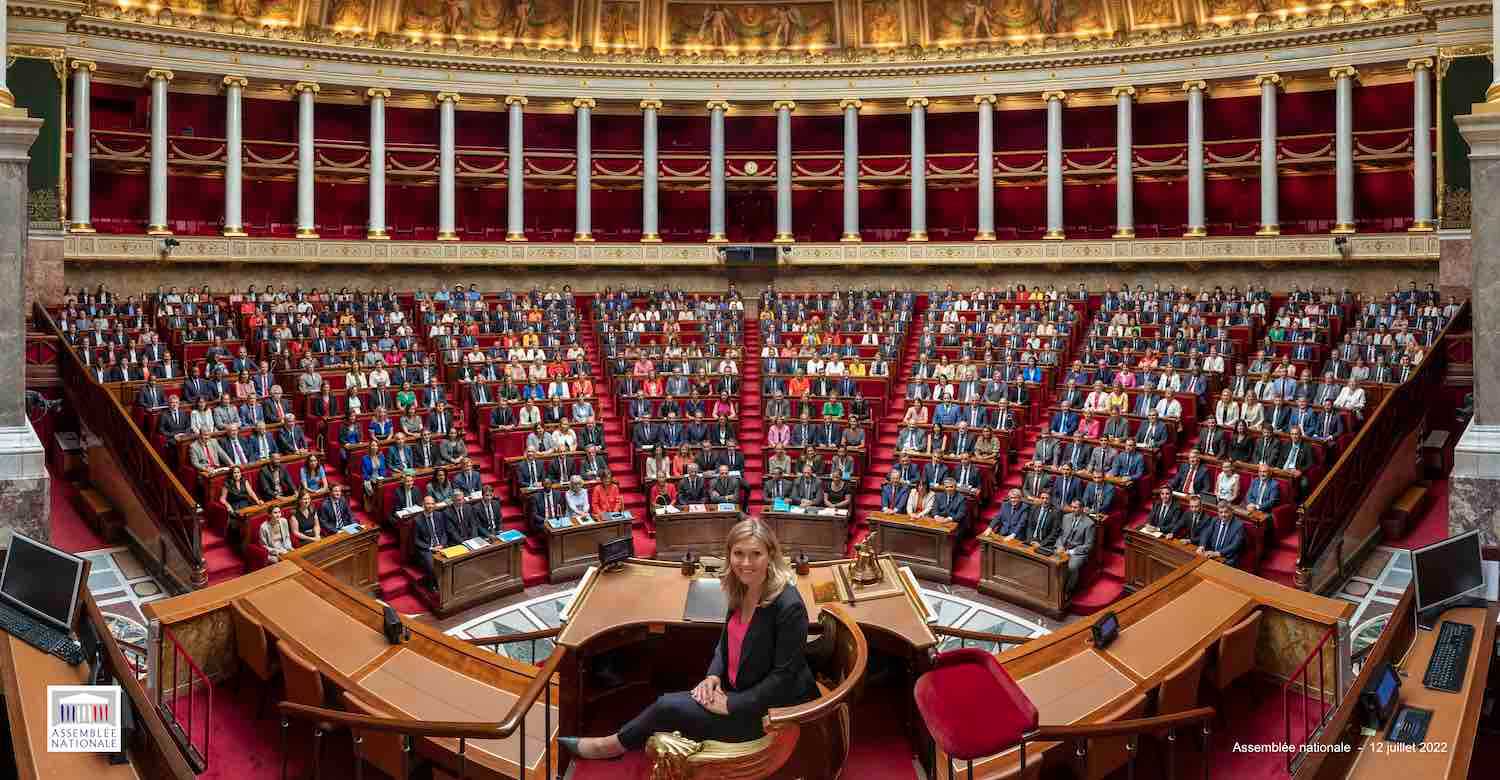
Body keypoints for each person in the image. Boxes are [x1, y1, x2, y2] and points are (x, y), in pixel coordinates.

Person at [559, 519, 818, 760]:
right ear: (729, 554)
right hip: (737, 687)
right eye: (739, 553)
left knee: (666, 706)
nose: (746, 563)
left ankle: (610, 746)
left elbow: (784, 677)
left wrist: (732, 704)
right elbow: (726, 642)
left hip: (769, 711)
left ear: (770, 555)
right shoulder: (741, 587)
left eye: (755, 554)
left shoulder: (788, 605)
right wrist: (713, 676)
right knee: (671, 700)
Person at [1057, 500, 1095, 593]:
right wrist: (1060, 545)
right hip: (1063, 548)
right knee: (1051, 561)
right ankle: (1054, 590)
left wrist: (1071, 552)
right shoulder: (1066, 517)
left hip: (1077, 552)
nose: (1072, 509)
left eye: (1075, 507)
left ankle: (1067, 591)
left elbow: (1088, 545)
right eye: (1072, 507)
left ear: (1082, 508)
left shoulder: (1089, 524)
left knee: (1071, 567)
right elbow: (1061, 535)